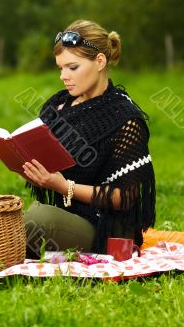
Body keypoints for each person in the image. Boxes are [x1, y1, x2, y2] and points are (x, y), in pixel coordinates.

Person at [22, 19, 156, 258]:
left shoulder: (125, 119)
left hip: (106, 229)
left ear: (100, 62)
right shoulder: (59, 105)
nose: (64, 76)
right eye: (60, 68)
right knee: (6, 214)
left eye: (72, 67)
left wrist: (64, 187)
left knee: (35, 220)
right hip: (66, 213)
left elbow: (124, 198)